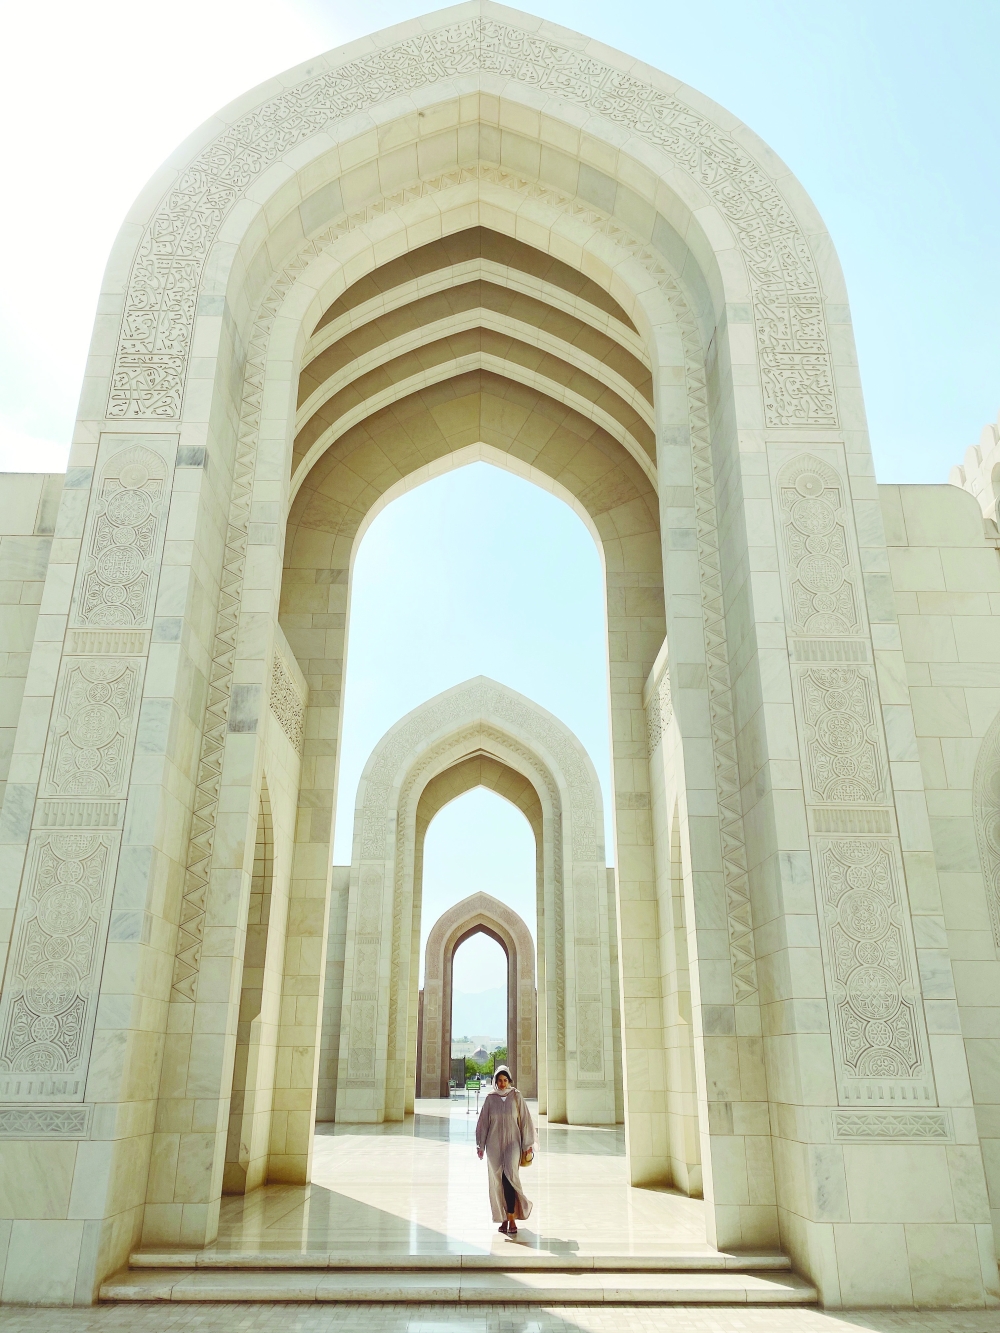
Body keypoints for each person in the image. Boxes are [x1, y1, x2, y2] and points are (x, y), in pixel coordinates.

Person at [475, 1064, 535, 1236]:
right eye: (499, 1081)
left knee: (510, 1177)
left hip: (513, 1144)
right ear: (495, 1081)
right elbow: (483, 1123)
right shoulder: (490, 1099)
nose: (502, 1084)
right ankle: (503, 1218)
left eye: (505, 1080)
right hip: (494, 1146)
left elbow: (525, 1121)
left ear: (509, 1081)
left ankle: (511, 1217)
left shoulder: (516, 1096)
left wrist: (527, 1145)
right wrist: (480, 1145)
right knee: (498, 1181)